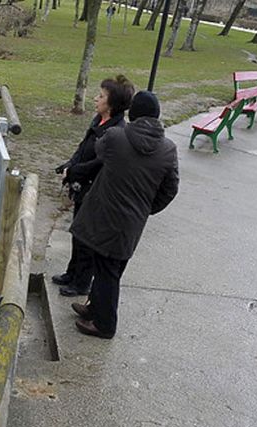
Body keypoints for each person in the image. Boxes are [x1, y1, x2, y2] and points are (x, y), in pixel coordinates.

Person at [69, 91, 179, 339]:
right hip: (131, 224)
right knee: (109, 266)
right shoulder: (168, 149)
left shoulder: (116, 136)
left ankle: (105, 325)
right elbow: (170, 189)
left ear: (133, 113)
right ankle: (94, 308)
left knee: (107, 271)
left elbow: (100, 151)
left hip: (104, 215)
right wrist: (145, 208)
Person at [52, 75, 135, 297]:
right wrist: (69, 164)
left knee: (86, 237)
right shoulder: (98, 121)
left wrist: (75, 171)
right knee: (77, 232)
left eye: (101, 96)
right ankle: (72, 272)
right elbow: (83, 147)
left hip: (94, 189)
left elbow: (100, 162)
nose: (96, 99)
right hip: (81, 184)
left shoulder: (115, 131)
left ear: (113, 104)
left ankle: (81, 282)